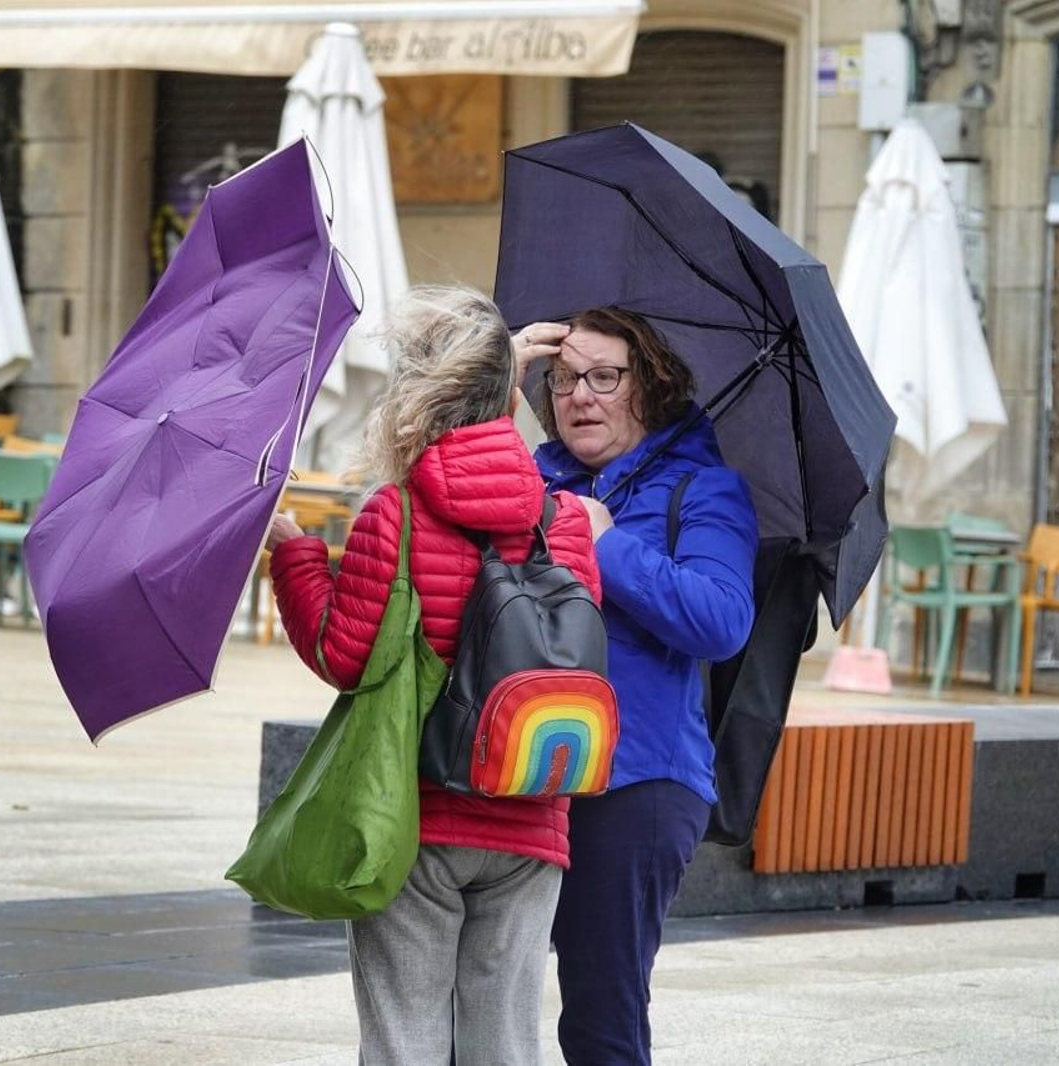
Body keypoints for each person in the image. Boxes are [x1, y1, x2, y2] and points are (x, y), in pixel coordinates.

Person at [267, 286, 602, 1065]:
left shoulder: (397, 512)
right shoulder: (568, 522)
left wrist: (293, 555)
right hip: (532, 811)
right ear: (505, 392)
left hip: (419, 817)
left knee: (404, 1037)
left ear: (417, 395)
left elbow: (342, 655)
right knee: (506, 1044)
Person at [515, 308, 758, 1064]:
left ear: (649, 388)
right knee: (480, 992)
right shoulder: (531, 479)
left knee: (600, 1009)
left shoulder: (704, 489)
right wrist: (495, 372)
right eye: (562, 379)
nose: (579, 396)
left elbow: (721, 621)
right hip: (522, 771)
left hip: (638, 778)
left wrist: (607, 543)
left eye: (604, 377)